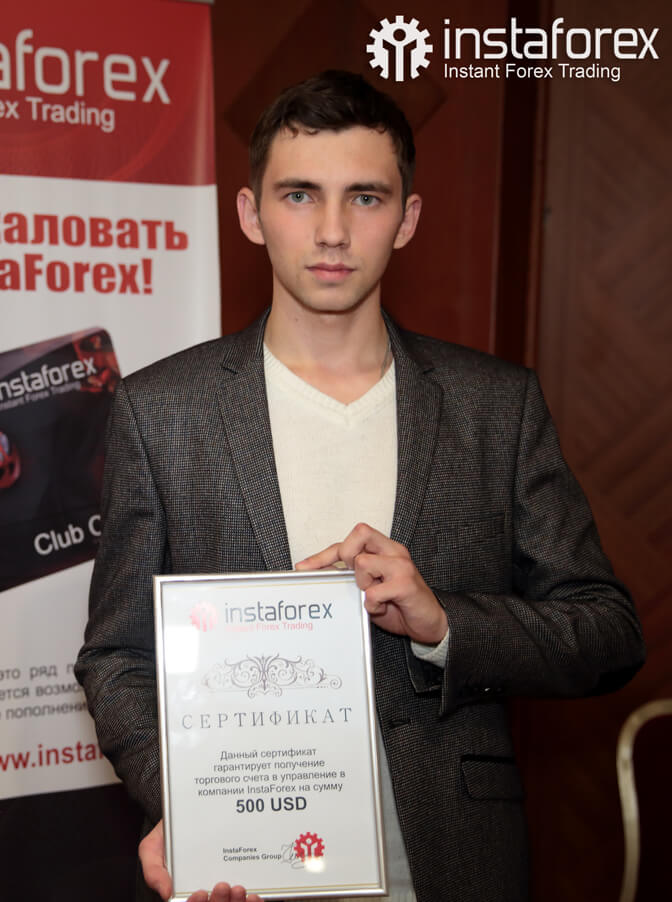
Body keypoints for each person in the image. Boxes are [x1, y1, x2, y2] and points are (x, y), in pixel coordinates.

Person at [74, 70, 645, 902]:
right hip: (249, 869)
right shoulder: (162, 412)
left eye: (366, 198)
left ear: (406, 218)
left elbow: (607, 632)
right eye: (300, 195)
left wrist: (445, 623)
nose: (333, 230)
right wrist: (194, 807)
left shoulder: (494, 406)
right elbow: (117, 656)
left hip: (454, 866)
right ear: (251, 213)